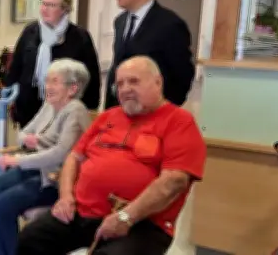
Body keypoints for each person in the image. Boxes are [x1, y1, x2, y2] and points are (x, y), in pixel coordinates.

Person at [16, 56, 206, 255]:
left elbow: (174, 181)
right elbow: (74, 157)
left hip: (141, 223)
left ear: (158, 82)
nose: (125, 89)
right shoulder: (108, 116)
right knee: (30, 239)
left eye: (133, 81)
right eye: (120, 83)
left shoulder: (179, 122)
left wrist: (126, 217)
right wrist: (65, 197)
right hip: (81, 213)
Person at [0, 59, 92, 255]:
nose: (48, 87)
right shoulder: (49, 104)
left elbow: (59, 154)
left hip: (55, 179)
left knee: (3, 205)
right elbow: (24, 132)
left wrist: (21, 157)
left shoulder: (76, 111)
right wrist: (34, 141)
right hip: (35, 168)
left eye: (54, 81)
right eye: (47, 81)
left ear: (73, 88)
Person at [4, 0, 101, 127]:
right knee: (29, 144)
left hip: (65, 107)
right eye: (44, 4)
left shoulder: (79, 37)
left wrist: (91, 107)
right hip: (30, 105)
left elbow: (91, 75)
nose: (45, 9)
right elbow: (16, 66)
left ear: (64, 9)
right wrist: (10, 90)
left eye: (51, 5)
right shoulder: (30, 32)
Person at [105, 0, 195, 109]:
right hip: (119, 109)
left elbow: (182, 76)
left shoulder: (170, 24)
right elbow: (117, 64)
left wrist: (163, 110)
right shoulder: (120, 22)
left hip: (152, 112)